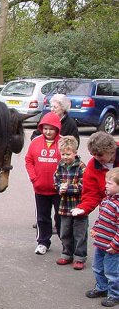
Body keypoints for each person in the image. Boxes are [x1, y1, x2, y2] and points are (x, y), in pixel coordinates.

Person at [25, 111, 62, 255]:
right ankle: (42, 242)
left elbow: (70, 161)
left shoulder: (63, 142)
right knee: (42, 217)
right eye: (45, 128)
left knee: (61, 218)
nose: (48, 131)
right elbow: (29, 160)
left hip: (59, 190)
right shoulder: (35, 142)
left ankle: (66, 243)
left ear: (57, 129)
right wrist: (34, 178)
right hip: (40, 188)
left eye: (51, 129)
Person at [84, 167, 119, 307]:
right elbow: (101, 217)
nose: (106, 185)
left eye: (109, 183)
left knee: (112, 271)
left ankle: (114, 294)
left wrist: (115, 245)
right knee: (98, 267)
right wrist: (96, 228)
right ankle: (102, 288)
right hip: (101, 243)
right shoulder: (106, 200)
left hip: (112, 246)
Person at [53, 136, 88, 269]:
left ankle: (79, 257)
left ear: (75, 152)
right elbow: (55, 180)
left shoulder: (81, 166)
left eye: (68, 154)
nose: (65, 157)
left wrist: (68, 188)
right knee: (65, 231)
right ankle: (67, 253)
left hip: (79, 206)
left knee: (80, 233)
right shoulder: (60, 165)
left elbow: (84, 185)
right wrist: (58, 187)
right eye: (63, 154)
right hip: (64, 207)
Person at [71, 132, 119, 217]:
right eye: (93, 154)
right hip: (109, 211)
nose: (96, 158)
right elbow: (91, 194)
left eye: (100, 155)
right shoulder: (92, 166)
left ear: (111, 150)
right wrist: (83, 208)